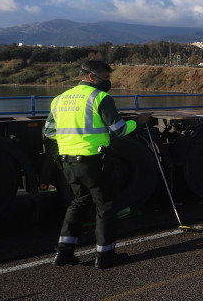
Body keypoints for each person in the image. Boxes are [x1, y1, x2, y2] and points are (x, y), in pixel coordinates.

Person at [44, 60, 138, 269]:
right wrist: (138, 122)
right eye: (105, 77)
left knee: (78, 203)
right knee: (105, 207)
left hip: (67, 161)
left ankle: (64, 253)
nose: (107, 81)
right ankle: (105, 256)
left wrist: (73, 138)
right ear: (90, 77)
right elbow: (119, 130)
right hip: (93, 161)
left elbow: (49, 132)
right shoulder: (100, 98)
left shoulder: (59, 99)